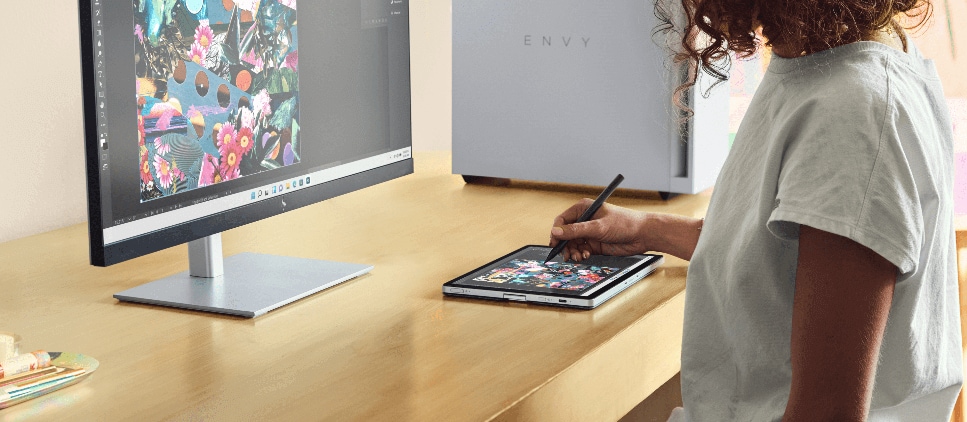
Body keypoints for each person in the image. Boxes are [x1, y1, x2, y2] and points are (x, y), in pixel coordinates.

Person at [548, 0, 963, 420]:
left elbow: (824, 413)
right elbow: (793, 257)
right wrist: (644, 229)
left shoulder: (851, 113)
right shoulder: (840, 58)